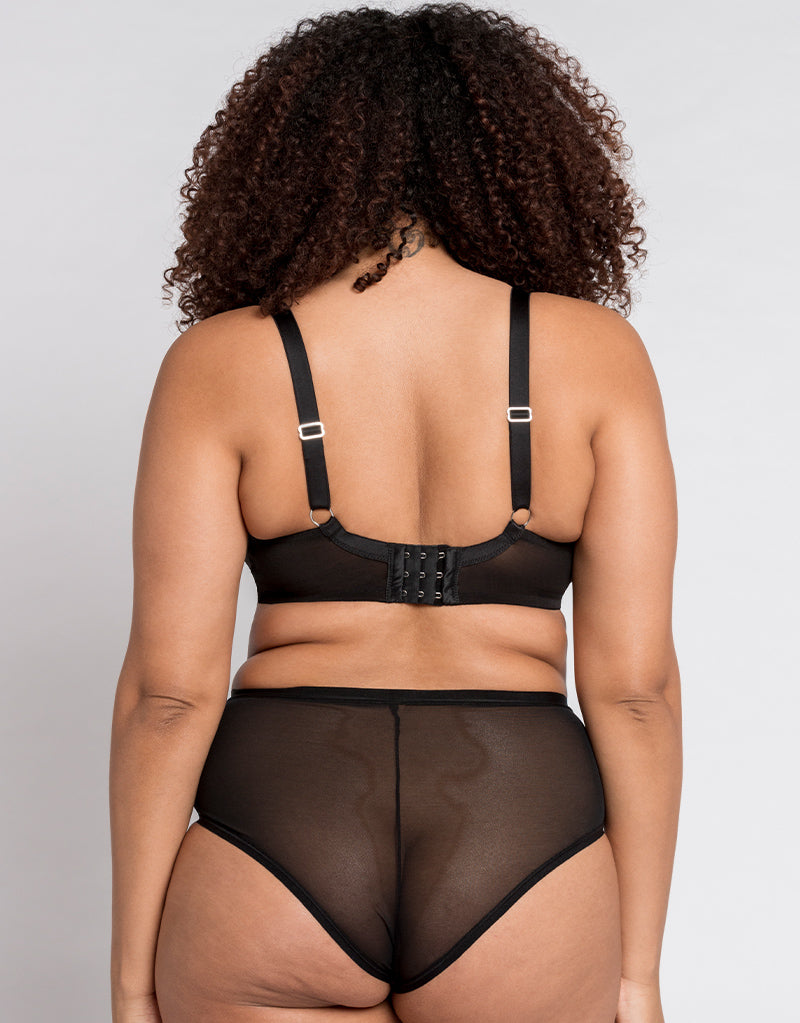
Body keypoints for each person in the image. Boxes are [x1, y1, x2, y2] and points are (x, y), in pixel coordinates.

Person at [109, 4, 682, 1022]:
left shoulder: (219, 361)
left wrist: (131, 976)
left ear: (287, 161)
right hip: (520, 826)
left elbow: (168, 695)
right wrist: (635, 971)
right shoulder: (597, 356)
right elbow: (634, 693)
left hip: (279, 829)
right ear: (519, 160)